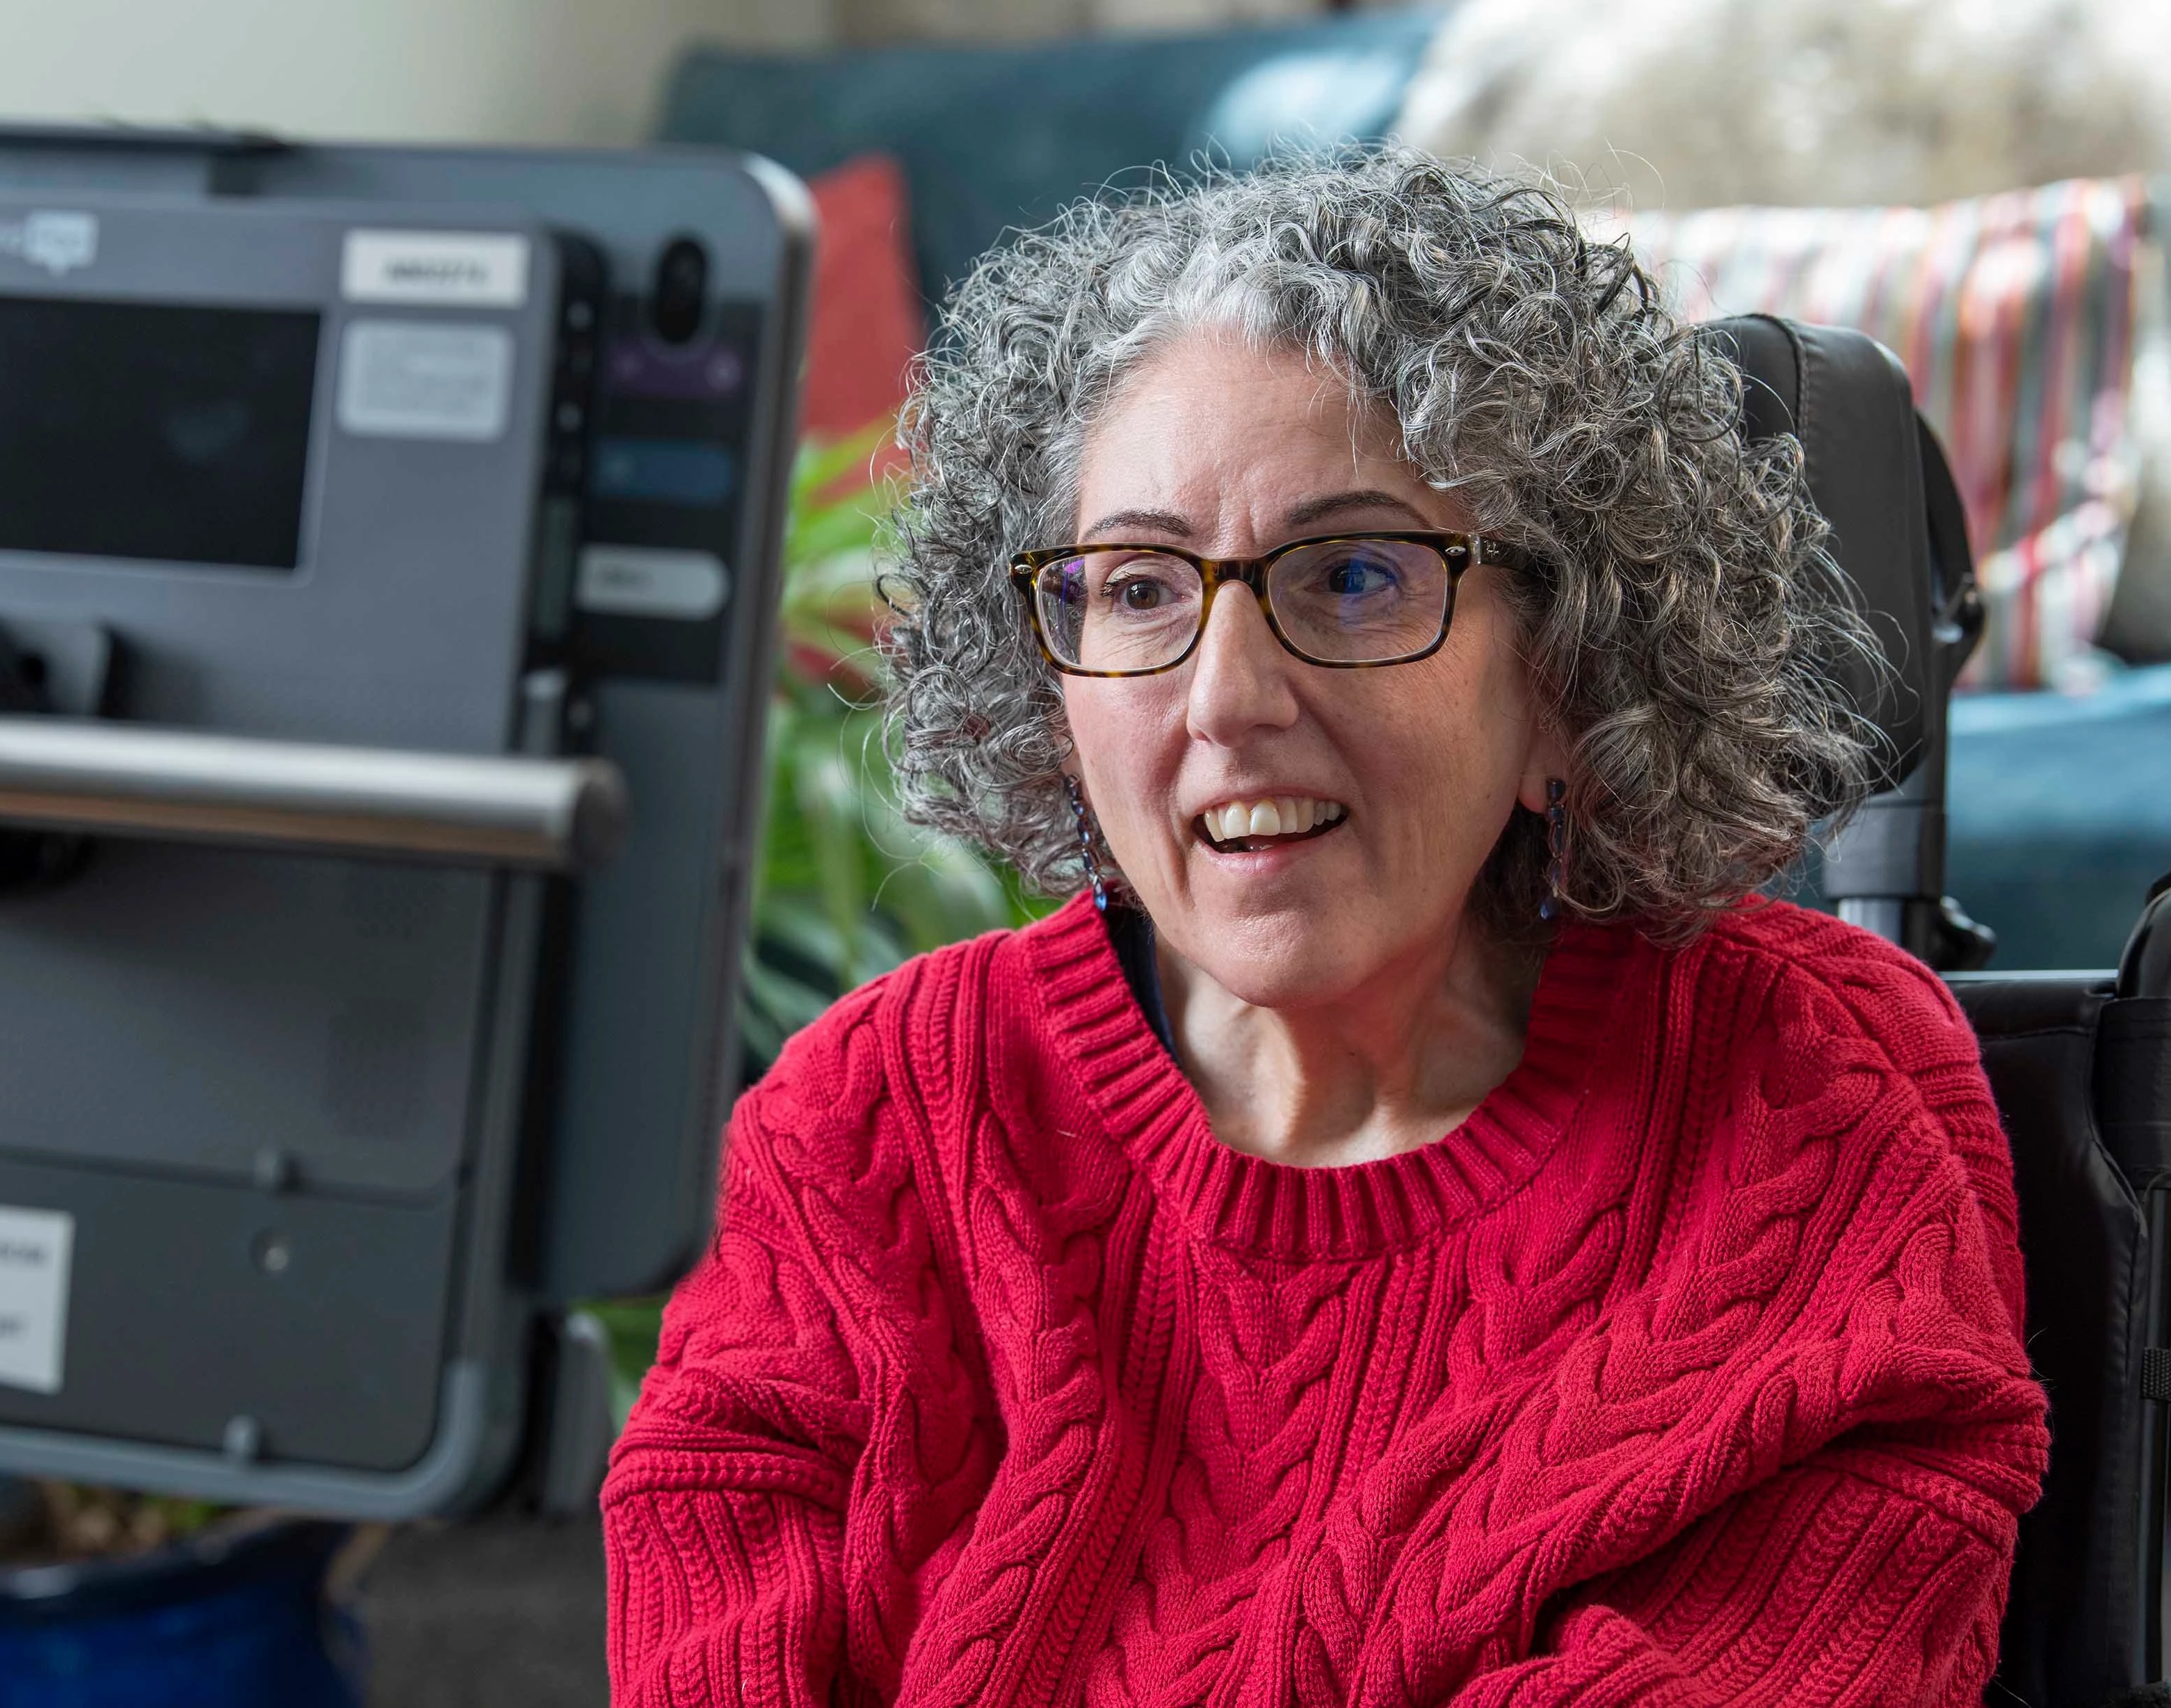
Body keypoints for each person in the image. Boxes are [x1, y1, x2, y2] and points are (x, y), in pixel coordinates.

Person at [602, 150, 2047, 1705]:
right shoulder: (871, 1119)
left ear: (1568, 667)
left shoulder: (1811, 1105)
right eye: (1140, 588)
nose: (1222, 698)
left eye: (1353, 574)